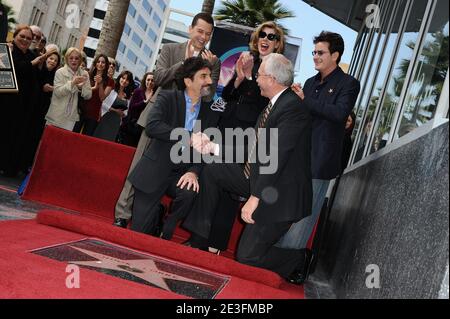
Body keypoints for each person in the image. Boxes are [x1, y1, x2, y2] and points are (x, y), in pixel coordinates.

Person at [183, 53, 312, 282]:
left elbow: (276, 157)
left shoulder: (293, 109)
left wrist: (254, 197)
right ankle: (199, 238)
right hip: (262, 180)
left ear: (271, 79)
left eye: (260, 75)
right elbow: (252, 148)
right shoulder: (272, 107)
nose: (257, 79)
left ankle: (299, 260)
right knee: (213, 168)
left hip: (280, 195)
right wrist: (212, 147)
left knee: (247, 257)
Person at [113, 12, 221, 228]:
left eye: (207, 34)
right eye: (200, 31)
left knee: (166, 170)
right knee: (140, 167)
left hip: (187, 125)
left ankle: (153, 215)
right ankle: (122, 213)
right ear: (191, 29)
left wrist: (205, 71)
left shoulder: (213, 61)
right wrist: (185, 64)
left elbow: (208, 96)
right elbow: (159, 78)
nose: (203, 37)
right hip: (158, 118)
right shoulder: (171, 50)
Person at [277, 31, 361, 284]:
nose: (315, 56)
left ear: (335, 55)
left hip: (320, 161)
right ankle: (277, 259)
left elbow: (339, 113)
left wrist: (306, 101)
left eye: (320, 52)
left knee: (304, 216)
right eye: (314, 52)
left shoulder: (349, 84)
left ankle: (287, 266)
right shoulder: (311, 83)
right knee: (287, 210)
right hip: (297, 157)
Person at [204, 21, 286, 253]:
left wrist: (250, 78)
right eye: (262, 35)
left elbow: (265, 104)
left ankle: (215, 244)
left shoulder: (278, 69)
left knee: (229, 191)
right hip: (226, 129)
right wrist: (239, 78)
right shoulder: (248, 61)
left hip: (247, 138)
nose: (265, 39)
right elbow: (228, 94)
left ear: (278, 43)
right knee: (211, 180)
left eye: (271, 37)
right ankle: (202, 237)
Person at [127, 56, 220, 240]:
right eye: (203, 76)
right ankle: (155, 215)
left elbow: (206, 149)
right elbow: (153, 126)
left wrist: (194, 171)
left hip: (181, 174)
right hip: (154, 171)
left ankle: (166, 227)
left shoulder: (210, 112)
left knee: (190, 191)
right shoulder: (167, 97)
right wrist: (187, 136)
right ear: (188, 81)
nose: (209, 81)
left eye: (210, 76)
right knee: (138, 235)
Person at [0, 25, 46, 177]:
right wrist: (33, 64)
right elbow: (14, 70)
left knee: (17, 137)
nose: (25, 40)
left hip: (25, 107)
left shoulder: (32, 55)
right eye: (22, 36)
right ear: (15, 36)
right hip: (7, 103)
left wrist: (38, 65)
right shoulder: (7, 51)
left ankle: (10, 166)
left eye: (28, 38)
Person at [45, 47, 92, 131]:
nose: (74, 60)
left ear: (80, 60)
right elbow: (58, 92)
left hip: (71, 117)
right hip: (56, 114)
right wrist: (72, 83)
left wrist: (80, 88)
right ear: (66, 59)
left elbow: (88, 95)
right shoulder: (60, 72)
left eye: (76, 58)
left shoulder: (84, 74)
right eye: (71, 58)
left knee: (64, 143)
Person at [73, 54, 114, 136]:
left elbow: (102, 98)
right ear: (95, 63)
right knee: (73, 135)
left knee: (85, 140)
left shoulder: (110, 81)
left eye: (103, 62)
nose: (100, 64)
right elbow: (80, 89)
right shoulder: (88, 74)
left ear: (106, 65)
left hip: (93, 115)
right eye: (98, 61)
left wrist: (101, 83)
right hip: (81, 111)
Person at [93, 70, 134, 142]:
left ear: (129, 83)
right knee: (98, 140)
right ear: (119, 78)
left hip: (116, 123)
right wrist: (114, 110)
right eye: (123, 78)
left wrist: (123, 114)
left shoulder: (128, 96)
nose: (124, 81)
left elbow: (126, 112)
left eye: (127, 80)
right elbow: (102, 103)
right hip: (105, 119)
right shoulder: (112, 90)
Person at [120, 72, 156, 147]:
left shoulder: (156, 95)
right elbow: (131, 107)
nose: (150, 82)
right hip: (132, 126)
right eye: (148, 80)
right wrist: (144, 102)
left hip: (144, 128)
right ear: (145, 80)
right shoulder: (138, 91)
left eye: (152, 80)